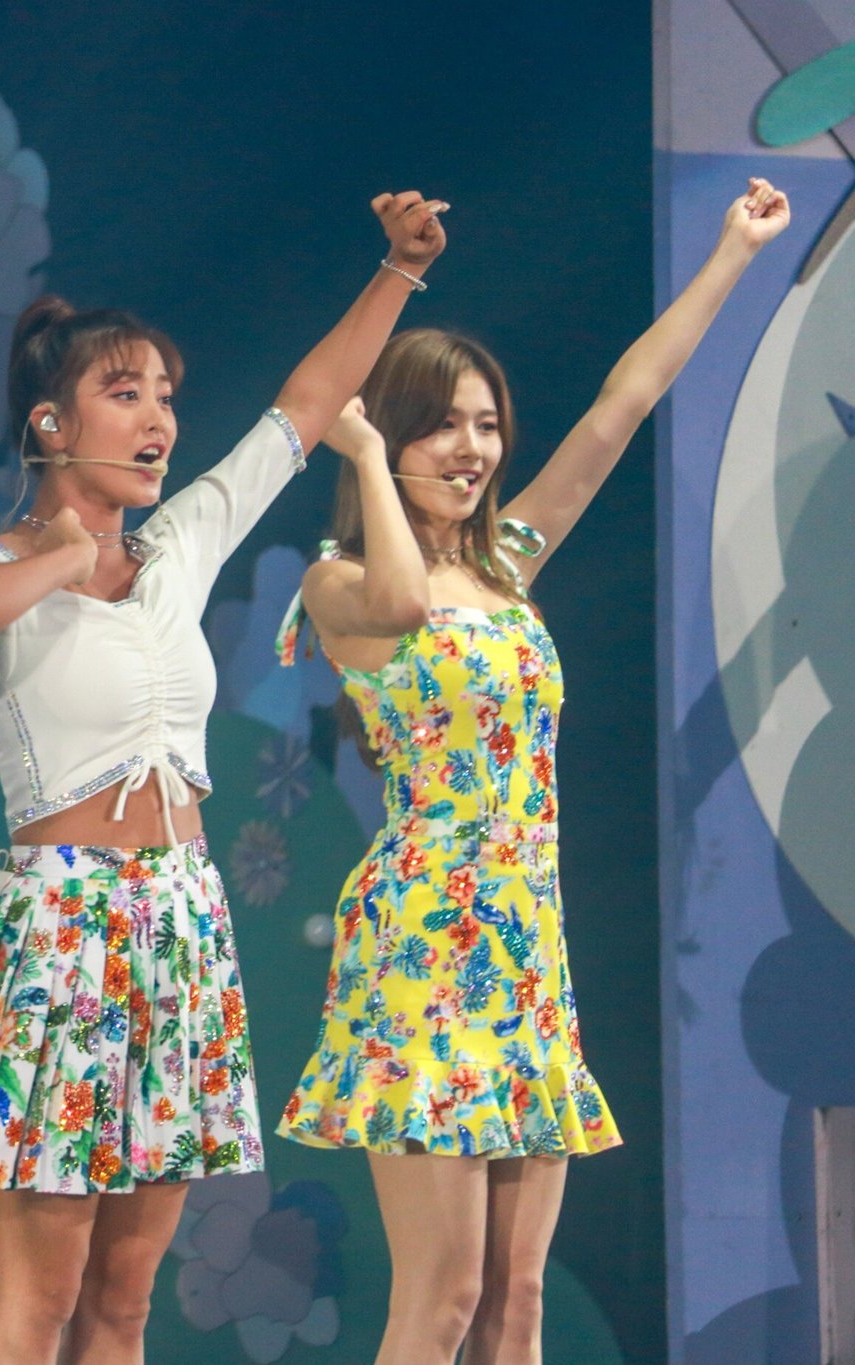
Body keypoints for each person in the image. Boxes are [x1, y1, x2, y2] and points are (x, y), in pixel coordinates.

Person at [0, 192, 449, 1364]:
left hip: (178, 927)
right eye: (125, 393)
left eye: (164, 396)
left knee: (123, 1300)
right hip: (56, 933)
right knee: (40, 1295)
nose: (158, 419)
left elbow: (304, 406)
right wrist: (59, 552)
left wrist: (397, 270)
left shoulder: (179, 547)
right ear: (50, 421)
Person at [274, 178, 788, 1365]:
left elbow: (621, 404)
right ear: (387, 435)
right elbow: (402, 601)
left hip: (523, 946)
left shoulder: (505, 565)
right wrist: (359, 455)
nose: (472, 449)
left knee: (515, 1300)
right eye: (441, 426)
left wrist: (731, 252)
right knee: (442, 1297)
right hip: (423, 947)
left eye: (486, 425)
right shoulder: (335, 582)